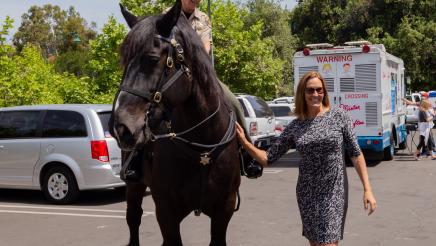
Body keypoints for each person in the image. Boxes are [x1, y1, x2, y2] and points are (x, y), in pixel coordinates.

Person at [123, 0, 262, 181]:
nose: (196, 0)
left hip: (200, 73)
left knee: (232, 100)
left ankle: (246, 154)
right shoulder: (167, 15)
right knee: (152, 110)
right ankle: (135, 158)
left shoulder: (203, 18)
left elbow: (205, 49)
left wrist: (192, 61)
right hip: (174, 74)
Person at [235, 71, 377, 245]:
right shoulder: (296, 125)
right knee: (316, 243)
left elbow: (356, 154)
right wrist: (244, 142)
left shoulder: (339, 116)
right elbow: (267, 158)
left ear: (324, 92)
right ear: (303, 93)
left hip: (333, 192)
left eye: (319, 90)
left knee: (328, 243)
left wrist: (367, 189)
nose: (315, 94)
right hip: (307, 193)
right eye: (310, 90)